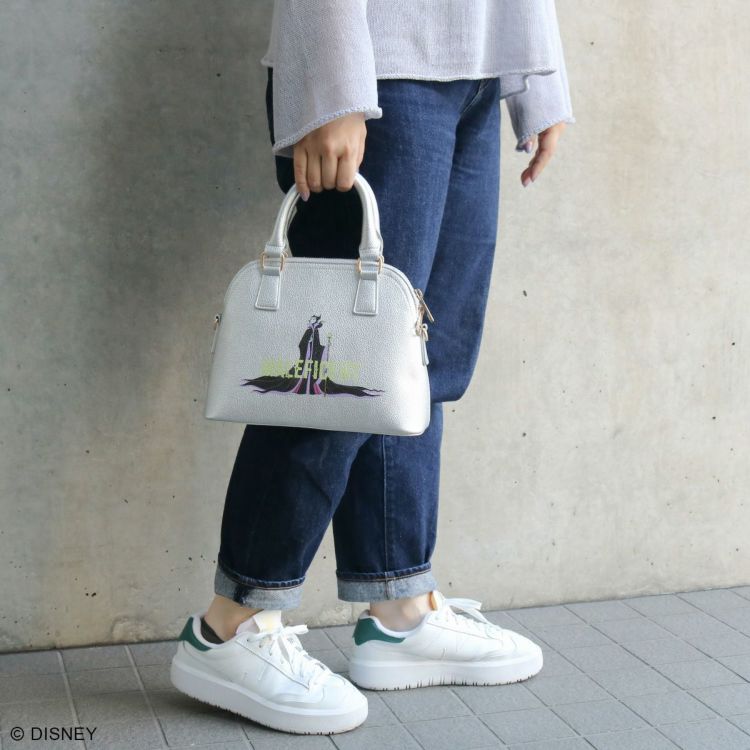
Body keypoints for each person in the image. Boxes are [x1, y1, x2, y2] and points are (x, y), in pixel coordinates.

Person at [171, 0, 575, 736]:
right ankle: (231, 625)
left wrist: (536, 74)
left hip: (479, 61)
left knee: (416, 364)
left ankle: (400, 610)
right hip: (378, 63)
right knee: (335, 373)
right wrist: (332, 84)